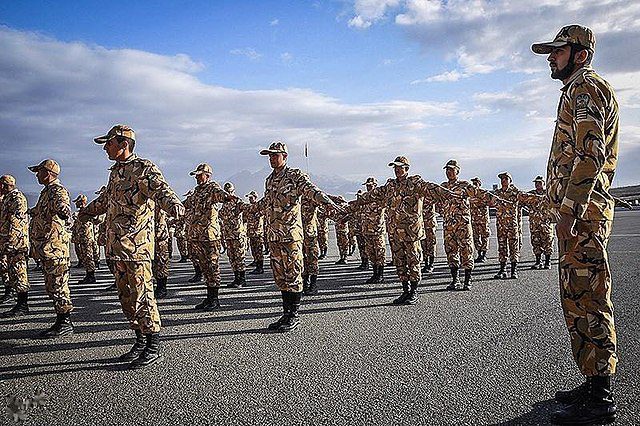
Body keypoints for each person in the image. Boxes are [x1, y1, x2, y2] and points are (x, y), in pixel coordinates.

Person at [532, 24, 619, 423]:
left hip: (582, 217)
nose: (551, 57)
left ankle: (601, 401)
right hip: (578, 216)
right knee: (577, 299)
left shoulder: (586, 87)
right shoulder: (575, 90)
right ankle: (591, 381)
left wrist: (569, 209)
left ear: (579, 54)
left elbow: (590, 153)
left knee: (590, 299)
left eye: (557, 51)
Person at [79, 125, 184, 368]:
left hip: (137, 248)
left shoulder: (143, 168)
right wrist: (86, 212)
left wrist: (175, 207)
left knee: (143, 296)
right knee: (126, 299)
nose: (106, 147)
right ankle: (139, 340)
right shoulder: (115, 172)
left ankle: (153, 345)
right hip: (116, 248)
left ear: (123, 143)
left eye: (109, 143)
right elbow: (106, 200)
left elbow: (162, 190)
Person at [256, 141, 343, 332]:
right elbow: (267, 203)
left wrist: (329, 203)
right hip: (274, 236)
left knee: (294, 275)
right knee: (281, 277)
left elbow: (312, 191)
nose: (271, 158)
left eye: (275, 155)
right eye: (269, 155)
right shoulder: (269, 180)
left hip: (290, 236)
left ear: (285, 157)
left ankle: (294, 315)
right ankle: (286, 314)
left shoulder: (294, 176)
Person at [351, 156, 456, 304]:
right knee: (400, 263)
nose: (397, 170)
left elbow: (431, 188)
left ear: (407, 168)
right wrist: (356, 202)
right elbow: (372, 195)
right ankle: (405, 291)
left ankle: (414, 292)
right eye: (395, 167)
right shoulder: (390, 186)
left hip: (411, 232)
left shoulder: (415, 183)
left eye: (400, 167)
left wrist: (448, 193)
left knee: (413, 262)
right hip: (395, 232)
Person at [440, 160, 506, 291]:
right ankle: (455, 280)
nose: (449, 172)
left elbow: (479, 193)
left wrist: (496, 201)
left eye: (452, 170)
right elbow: (437, 201)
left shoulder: (464, 185)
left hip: (462, 225)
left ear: (457, 171)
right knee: (451, 253)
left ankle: (467, 280)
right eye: (447, 170)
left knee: (466, 252)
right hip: (448, 226)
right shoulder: (443, 186)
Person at [28, 159, 74, 337]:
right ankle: (61, 319)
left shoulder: (57, 190)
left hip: (55, 248)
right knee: (52, 285)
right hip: (47, 248)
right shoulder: (46, 192)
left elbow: (63, 206)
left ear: (48, 173)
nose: (37, 175)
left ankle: (65, 322)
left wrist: (65, 213)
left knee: (59, 285)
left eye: (39, 172)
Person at [0, 175, 30, 317]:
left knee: (19, 272)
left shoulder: (17, 198)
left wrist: (11, 242)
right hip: (8, 242)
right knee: (12, 271)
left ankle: (23, 305)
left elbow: (17, 223)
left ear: (4, 185)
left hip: (16, 243)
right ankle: (15, 299)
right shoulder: (7, 198)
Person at [353, 177, 386, 284]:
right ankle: (374, 274)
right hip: (367, 231)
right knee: (371, 253)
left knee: (379, 252)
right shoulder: (364, 199)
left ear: (375, 186)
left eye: (370, 185)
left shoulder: (380, 199)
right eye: (367, 186)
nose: (368, 187)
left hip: (377, 231)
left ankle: (380, 275)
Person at [518, 176, 554, 270]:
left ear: (543, 183)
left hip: (546, 223)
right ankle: (538, 261)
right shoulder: (531, 194)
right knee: (535, 242)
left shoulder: (548, 193)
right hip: (534, 224)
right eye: (536, 183)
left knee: (548, 241)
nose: (537, 184)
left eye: (539, 182)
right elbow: (521, 202)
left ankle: (547, 261)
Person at [219, 182, 247, 288]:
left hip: (237, 235)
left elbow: (246, 211)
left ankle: (242, 280)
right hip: (228, 235)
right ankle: (236, 278)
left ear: (233, 190)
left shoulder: (238, 201)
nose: (228, 192)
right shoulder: (224, 204)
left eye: (230, 190)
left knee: (239, 257)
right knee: (232, 257)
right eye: (226, 191)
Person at [71, 194, 97, 284]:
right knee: (85, 257)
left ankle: (91, 276)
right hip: (81, 238)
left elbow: (97, 219)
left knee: (88, 256)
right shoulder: (81, 212)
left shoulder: (87, 211)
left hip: (86, 238)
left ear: (82, 202)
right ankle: (88, 274)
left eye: (77, 202)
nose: (76, 204)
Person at [469, 177, 490, 263]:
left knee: (485, 237)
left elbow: (486, 201)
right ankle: (479, 254)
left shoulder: (483, 193)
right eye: (473, 183)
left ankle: (484, 254)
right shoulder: (470, 194)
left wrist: (475, 200)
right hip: (474, 220)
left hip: (483, 220)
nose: (474, 184)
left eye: (476, 183)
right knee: (476, 237)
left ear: (479, 184)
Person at [244, 191, 265, 275]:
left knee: (259, 250)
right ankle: (256, 262)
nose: (250, 199)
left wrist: (258, 213)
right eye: (249, 198)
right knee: (253, 249)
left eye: (251, 198)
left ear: (255, 197)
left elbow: (264, 212)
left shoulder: (259, 207)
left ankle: (260, 267)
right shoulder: (249, 208)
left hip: (257, 233)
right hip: (251, 232)